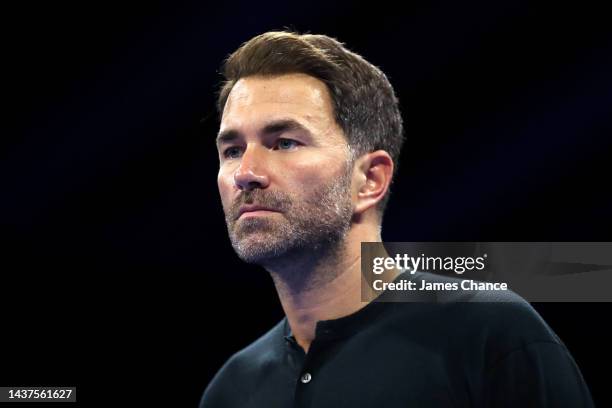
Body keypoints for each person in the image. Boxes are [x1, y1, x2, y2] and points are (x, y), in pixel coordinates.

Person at [200, 31, 594, 407]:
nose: (245, 172)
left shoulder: (491, 337)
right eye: (232, 150)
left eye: (284, 142)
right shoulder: (231, 390)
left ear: (370, 180)